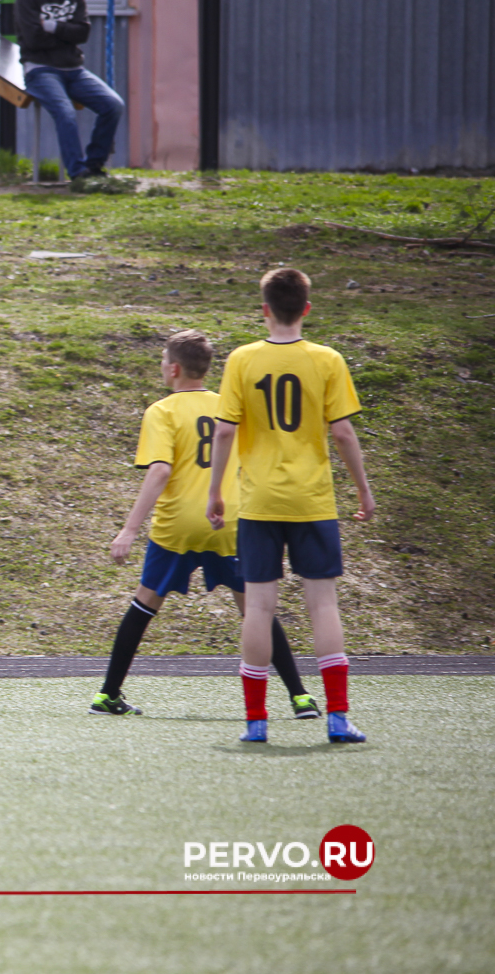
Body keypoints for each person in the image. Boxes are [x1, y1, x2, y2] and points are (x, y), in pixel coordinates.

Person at [96, 330, 317, 719]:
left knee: (144, 603)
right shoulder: (228, 407)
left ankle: (108, 694)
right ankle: (299, 697)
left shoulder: (161, 411)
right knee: (256, 611)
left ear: (175, 369)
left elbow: (160, 470)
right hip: (227, 522)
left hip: (178, 525)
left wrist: (129, 528)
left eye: (164, 360)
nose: (161, 366)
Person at [208, 269, 375, 744]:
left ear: (264, 309)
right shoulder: (327, 360)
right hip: (313, 500)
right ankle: (338, 717)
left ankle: (256, 722)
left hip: (259, 501)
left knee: (258, 608)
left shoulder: (242, 360)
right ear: (306, 308)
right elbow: (342, 432)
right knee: (322, 604)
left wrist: (215, 489)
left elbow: (224, 430)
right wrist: (363, 490)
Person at [16, 0, 125, 181]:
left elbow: (83, 32)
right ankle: (78, 173)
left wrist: (51, 26)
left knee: (113, 105)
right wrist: (67, 32)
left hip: (74, 69)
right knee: (66, 114)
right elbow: (32, 40)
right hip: (40, 69)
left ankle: (95, 165)